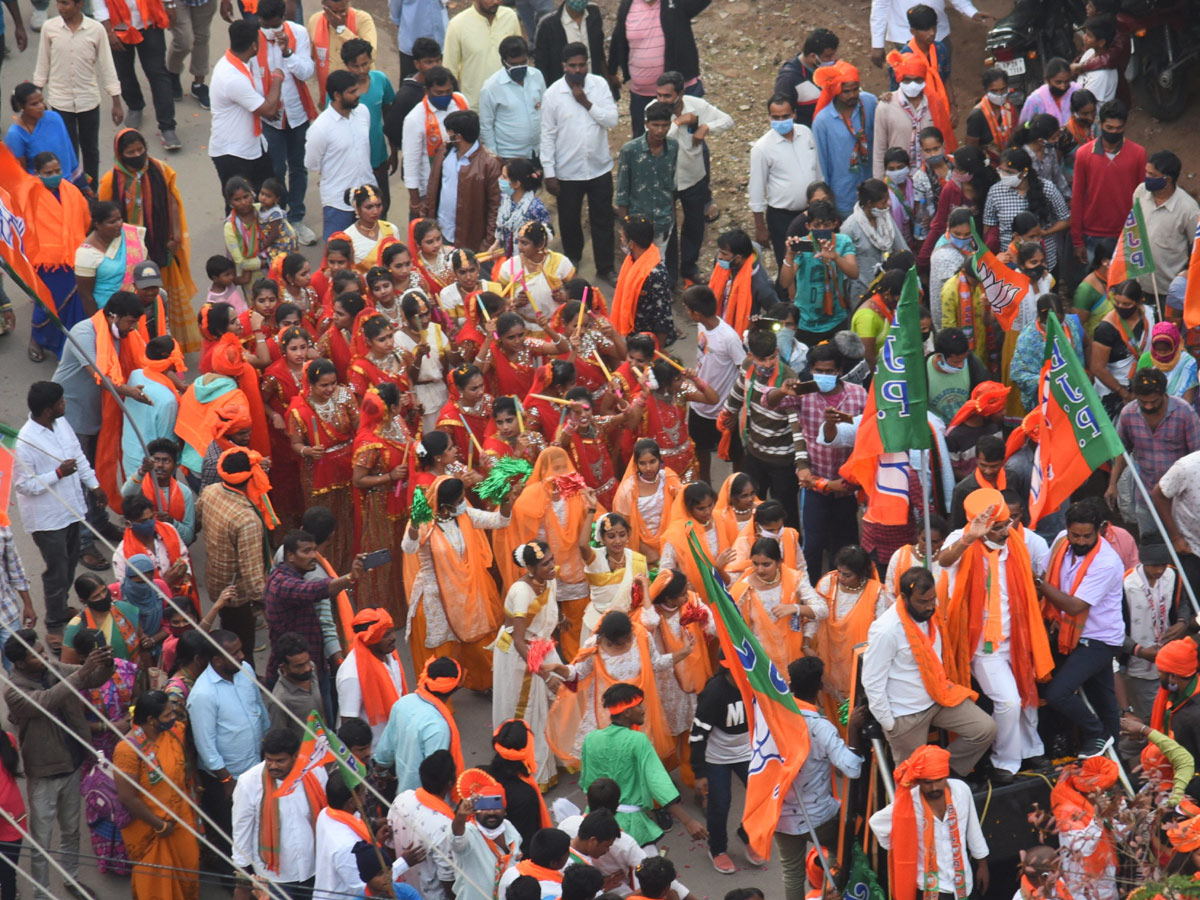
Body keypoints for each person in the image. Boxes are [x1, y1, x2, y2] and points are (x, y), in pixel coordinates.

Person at [937, 489, 1054, 781]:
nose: (1006, 530)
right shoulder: (960, 539)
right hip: (983, 644)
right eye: (998, 527)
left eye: (1007, 524)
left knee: (1027, 695)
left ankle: (1032, 749)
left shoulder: (1015, 541)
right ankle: (1005, 762)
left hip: (1017, 634)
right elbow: (943, 560)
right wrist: (970, 537)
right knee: (1009, 702)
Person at [4, 630, 112, 900]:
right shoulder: (14, 691)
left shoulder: (54, 668)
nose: (43, 657)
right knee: (42, 841)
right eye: (36, 655)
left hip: (72, 764)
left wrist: (106, 661)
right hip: (43, 773)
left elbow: (93, 677)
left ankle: (71, 879)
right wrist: (81, 672)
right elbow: (47, 701)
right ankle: (42, 893)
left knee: (71, 829)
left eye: (42, 650)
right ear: (19, 663)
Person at [863, 567, 997, 771]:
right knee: (912, 780)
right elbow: (872, 681)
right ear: (904, 598)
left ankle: (942, 771)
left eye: (931, 600)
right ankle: (930, 777)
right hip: (905, 714)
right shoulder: (886, 629)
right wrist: (890, 724)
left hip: (939, 697)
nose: (928, 607)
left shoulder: (932, 614)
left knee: (985, 729)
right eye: (922, 602)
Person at [98, 128, 199, 353]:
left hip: (162, 245)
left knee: (164, 296)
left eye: (140, 150)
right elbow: (103, 217)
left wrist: (174, 236)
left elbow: (173, 202)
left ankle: (169, 344)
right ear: (120, 153)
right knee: (137, 297)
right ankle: (137, 345)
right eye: (130, 152)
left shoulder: (160, 170)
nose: (136, 155)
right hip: (129, 251)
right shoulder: (109, 181)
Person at [15, 381, 104, 634]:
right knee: (57, 572)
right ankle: (54, 624)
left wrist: (94, 485)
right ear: (47, 410)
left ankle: (60, 606)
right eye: (61, 402)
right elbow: (24, 486)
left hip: (72, 510)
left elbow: (78, 455)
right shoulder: (25, 442)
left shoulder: (61, 424)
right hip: (48, 520)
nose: (65, 404)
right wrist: (57, 473)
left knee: (70, 564)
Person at [1040, 501, 1127, 755]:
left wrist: (1038, 584)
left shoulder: (1106, 562)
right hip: (1070, 633)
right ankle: (1112, 756)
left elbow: (1076, 605)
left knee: (1058, 694)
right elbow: (1048, 574)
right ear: (1066, 529)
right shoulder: (1060, 541)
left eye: (1086, 536)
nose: (1080, 541)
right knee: (1104, 700)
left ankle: (1097, 733)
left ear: (1098, 530)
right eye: (1074, 535)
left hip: (1099, 639)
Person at [777, 657, 865, 899]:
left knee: (791, 874)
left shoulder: (773, 719)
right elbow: (852, 768)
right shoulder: (821, 727)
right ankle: (829, 894)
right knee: (841, 854)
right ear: (819, 686)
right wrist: (854, 731)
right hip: (820, 816)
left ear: (790, 684)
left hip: (781, 815)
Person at [579, 682, 708, 846]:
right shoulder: (637, 740)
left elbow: (587, 783)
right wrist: (688, 821)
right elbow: (657, 782)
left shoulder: (591, 739)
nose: (643, 709)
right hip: (630, 825)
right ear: (627, 712)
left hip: (595, 822)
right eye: (639, 705)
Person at [187, 629, 270, 874]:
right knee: (233, 834)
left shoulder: (246, 671)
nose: (243, 656)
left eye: (241, 649)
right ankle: (234, 882)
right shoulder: (203, 695)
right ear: (218, 660)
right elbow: (206, 746)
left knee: (259, 826)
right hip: (227, 780)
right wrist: (226, 780)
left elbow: (259, 710)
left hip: (256, 768)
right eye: (235, 653)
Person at [540, 42, 620, 285]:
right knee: (569, 218)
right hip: (567, 171)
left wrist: (586, 102)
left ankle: (605, 267)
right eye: (572, 66)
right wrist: (550, 172)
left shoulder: (599, 85)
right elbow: (547, 135)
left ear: (588, 64)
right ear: (564, 66)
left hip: (598, 167)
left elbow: (613, 120)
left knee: (603, 219)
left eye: (582, 65)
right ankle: (572, 261)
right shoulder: (552, 94)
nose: (577, 70)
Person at [868, 744, 991, 900]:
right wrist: (903, 845)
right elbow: (876, 823)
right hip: (929, 888)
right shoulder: (909, 803)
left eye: (938, 780)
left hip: (964, 883)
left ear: (946, 776)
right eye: (927, 782)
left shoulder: (961, 791)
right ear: (918, 781)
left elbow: (973, 830)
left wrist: (982, 864)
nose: (934, 787)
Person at [492, 541, 568, 787]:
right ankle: (525, 769)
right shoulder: (521, 592)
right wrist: (545, 676)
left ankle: (554, 756)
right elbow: (518, 640)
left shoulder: (549, 579)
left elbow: (548, 608)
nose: (552, 565)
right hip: (519, 654)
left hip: (540, 647)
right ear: (531, 569)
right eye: (545, 563)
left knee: (558, 700)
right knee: (526, 711)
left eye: (551, 559)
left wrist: (561, 619)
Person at [112, 690, 200, 900]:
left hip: (181, 818)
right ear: (151, 720)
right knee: (156, 888)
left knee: (189, 869)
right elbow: (127, 797)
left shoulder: (173, 733)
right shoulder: (127, 750)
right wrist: (159, 824)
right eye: (167, 715)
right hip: (151, 829)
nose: (173, 718)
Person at [30, 0, 122, 186]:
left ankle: (91, 191)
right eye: (59, 3)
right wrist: (36, 102)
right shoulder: (50, 28)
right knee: (67, 150)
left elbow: (107, 66)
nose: (60, 7)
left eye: (66, 3)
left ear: (80, 4)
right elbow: (42, 65)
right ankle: (71, 192)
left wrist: (116, 102)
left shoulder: (96, 30)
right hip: (60, 101)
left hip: (88, 100)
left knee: (90, 150)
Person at [197, 448, 274, 665]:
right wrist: (268, 601)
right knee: (241, 648)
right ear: (250, 478)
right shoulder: (246, 519)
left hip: (215, 580)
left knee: (227, 627)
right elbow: (252, 578)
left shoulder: (210, 491)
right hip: (237, 594)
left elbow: (196, 522)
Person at [231, 727, 328, 897]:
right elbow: (241, 831)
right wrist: (241, 876)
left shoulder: (315, 771)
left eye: (280, 761)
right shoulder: (249, 783)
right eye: (269, 760)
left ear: (295, 756)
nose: (273, 766)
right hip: (274, 877)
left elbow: (327, 816)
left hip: (313, 869)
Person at [656, 71, 731, 285]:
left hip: (694, 178)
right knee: (667, 228)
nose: (662, 100)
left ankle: (689, 268)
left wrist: (706, 126)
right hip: (665, 182)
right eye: (659, 95)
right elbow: (656, 136)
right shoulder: (652, 110)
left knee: (694, 226)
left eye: (667, 96)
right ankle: (668, 278)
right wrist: (679, 122)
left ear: (681, 93)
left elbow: (728, 120)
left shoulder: (696, 105)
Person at [254, 0, 319, 247]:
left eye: (275, 25)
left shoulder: (298, 33)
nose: (270, 30)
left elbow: (306, 72)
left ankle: (296, 218)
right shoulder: (253, 38)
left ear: (284, 17)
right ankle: (276, 218)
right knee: (275, 169)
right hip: (268, 118)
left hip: (297, 113)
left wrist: (287, 53)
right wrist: (263, 107)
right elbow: (248, 79)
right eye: (265, 25)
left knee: (299, 168)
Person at [1107, 368, 1200, 534]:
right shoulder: (1128, 414)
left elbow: (1197, 457)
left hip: (1180, 502)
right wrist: (1112, 484)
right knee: (1152, 553)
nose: (1148, 406)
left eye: (1154, 402)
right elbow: (1122, 452)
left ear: (1164, 394)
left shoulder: (1185, 412)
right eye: (1143, 402)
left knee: (1182, 553)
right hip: (1146, 500)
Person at [607, 0, 708, 136]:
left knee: (690, 140)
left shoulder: (676, 3)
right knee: (644, 143)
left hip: (681, 93)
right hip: (642, 96)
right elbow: (619, 37)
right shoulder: (628, 5)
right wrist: (612, 70)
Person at [208, 20, 284, 195]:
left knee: (270, 197)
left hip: (252, 147)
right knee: (240, 206)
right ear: (253, 46)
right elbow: (269, 110)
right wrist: (278, 78)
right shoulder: (233, 77)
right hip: (234, 153)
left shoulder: (236, 63)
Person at [91, 0, 179, 150]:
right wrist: (109, 32)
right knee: (124, 72)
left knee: (157, 73)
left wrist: (169, 4)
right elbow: (98, 4)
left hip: (150, 22)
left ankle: (167, 126)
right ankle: (135, 106)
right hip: (118, 26)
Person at [749, 93, 821, 268]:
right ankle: (787, 295)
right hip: (782, 217)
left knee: (814, 259)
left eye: (785, 116)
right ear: (769, 117)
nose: (781, 121)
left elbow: (817, 170)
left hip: (811, 212)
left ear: (794, 114)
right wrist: (760, 227)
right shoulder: (762, 148)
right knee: (788, 263)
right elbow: (756, 190)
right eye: (776, 117)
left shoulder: (805, 133)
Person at [1071, 100, 1147, 265]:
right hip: (1092, 234)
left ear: (1125, 126)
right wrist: (1077, 240)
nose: (1114, 132)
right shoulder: (1084, 154)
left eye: (1119, 129)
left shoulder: (1138, 154)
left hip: (1127, 233)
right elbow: (1077, 197)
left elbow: (1142, 198)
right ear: (1100, 124)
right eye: (1109, 128)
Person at [305, 70, 375, 242]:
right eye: (352, 92)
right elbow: (311, 163)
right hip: (338, 202)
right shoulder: (320, 128)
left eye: (357, 90)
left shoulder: (363, 112)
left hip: (368, 195)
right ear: (337, 95)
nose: (358, 95)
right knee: (338, 255)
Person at [375, 657, 464, 792]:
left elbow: (385, 750)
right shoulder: (438, 727)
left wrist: (380, 772)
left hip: (403, 798)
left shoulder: (403, 702)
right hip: (426, 802)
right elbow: (436, 777)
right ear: (455, 687)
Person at [426, 110, 502, 253]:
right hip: (441, 233)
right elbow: (432, 187)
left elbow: (495, 208)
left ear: (458, 137)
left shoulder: (490, 164)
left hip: (470, 241)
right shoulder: (444, 152)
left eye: (449, 134)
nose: (447, 138)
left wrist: (487, 243)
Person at [809, 61, 876, 221]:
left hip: (872, 192)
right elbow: (821, 162)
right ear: (836, 91)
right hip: (844, 196)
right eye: (846, 91)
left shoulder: (869, 103)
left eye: (855, 89)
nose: (852, 95)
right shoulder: (823, 121)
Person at [1131, 150, 1199, 303]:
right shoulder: (1141, 192)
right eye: (1146, 173)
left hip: (1167, 291)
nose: (1147, 178)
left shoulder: (1189, 209)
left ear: (1167, 179)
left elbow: (1196, 248)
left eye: (1152, 175)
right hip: (1138, 283)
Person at [615, 100, 678, 252]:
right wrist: (625, 227)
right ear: (646, 124)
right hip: (637, 225)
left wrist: (671, 216)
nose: (660, 130)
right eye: (655, 125)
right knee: (637, 268)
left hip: (663, 221)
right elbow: (622, 191)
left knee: (657, 264)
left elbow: (670, 184)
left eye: (665, 125)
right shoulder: (630, 150)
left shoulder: (673, 147)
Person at [337, 608, 405, 748]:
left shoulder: (390, 655)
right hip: (373, 752)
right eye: (385, 635)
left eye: (391, 631)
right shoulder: (351, 675)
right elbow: (348, 725)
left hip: (397, 744)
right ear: (369, 639)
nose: (393, 637)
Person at [449, 770, 522, 900]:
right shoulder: (469, 833)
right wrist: (460, 816)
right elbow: (457, 841)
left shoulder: (509, 828)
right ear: (475, 811)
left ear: (505, 810)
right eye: (484, 807)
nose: (490, 812)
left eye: (495, 805)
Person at [1090, 279, 1155, 419]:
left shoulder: (1151, 315)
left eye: (1126, 304)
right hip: (1114, 391)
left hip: (1145, 385)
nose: (1120, 307)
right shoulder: (1106, 329)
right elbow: (1097, 367)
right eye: (1117, 303)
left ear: (1138, 303)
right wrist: (1123, 393)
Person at [610, 214, 677, 348]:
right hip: (633, 336)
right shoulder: (632, 262)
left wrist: (657, 353)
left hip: (648, 344)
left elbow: (663, 319)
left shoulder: (655, 275)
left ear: (631, 243)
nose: (620, 240)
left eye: (623, 237)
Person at [1010, 294, 1086, 412]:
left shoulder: (1070, 323)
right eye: (1052, 321)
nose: (1058, 325)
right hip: (1046, 402)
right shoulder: (1028, 338)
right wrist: (1050, 382)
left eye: (1060, 320)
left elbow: (1085, 346)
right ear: (1042, 317)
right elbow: (1017, 373)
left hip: (1074, 395)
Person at [442, 0, 521, 107]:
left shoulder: (510, 17)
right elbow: (450, 71)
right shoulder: (457, 25)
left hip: (510, 104)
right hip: (476, 107)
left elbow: (519, 58)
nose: (496, 2)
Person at [839, 180, 906, 305]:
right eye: (883, 202)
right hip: (862, 291)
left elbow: (901, 247)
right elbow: (845, 271)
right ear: (870, 204)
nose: (888, 205)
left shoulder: (886, 219)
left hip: (888, 290)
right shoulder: (849, 228)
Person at [480, 36, 546, 162]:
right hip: (509, 156)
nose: (519, 67)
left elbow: (545, 109)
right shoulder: (491, 87)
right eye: (514, 64)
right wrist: (495, 158)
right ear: (504, 61)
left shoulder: (536, 76)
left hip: (538, 152)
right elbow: (486, 126)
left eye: (523, 62)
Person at [6, 83, 83, 188]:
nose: (41, 106)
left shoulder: (54, 118)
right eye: (34, 104)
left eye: (41, 101)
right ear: (21, 107)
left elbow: (69, 152)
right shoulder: (15, 135)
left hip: (68, 185)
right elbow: (21, 174)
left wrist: (81, 182)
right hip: (40, 190)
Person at [314, 771, 375, 900]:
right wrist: (404, 863)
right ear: (352, 802)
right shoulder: (347, 845)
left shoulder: (325, 813)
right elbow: (364, 887)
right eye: (364, 792)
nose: (365, 795)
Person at [872, 53, 933, 182]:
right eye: (907, 80)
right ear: (899, 79)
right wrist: (879, 183)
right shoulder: (885, 106)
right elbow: (879, 150)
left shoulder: (934, 104)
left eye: (917, 80)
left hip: (929, 178)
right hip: (896, 178)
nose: (912, 85)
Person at [306, 0, 377, 103]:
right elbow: (310, 57)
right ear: (323, 5)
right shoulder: (314, 21)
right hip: (331, 97)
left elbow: (371, 55)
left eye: (343, 11)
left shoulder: (363, 19)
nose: (338, 16)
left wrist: (341, 29)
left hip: (360, 96)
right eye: (333, 11)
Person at [774, 28, 839, 128]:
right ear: (813, 56)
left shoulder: (831, 68)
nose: (833, 59)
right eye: (828, 56)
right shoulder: (788, 79)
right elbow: (782, 116)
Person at [267, 632, 322, 737]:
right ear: (284, 667)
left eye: (308, 661)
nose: (307, 668)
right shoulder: (280, 701)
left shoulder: (311, 670)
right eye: (299, 666)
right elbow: (280, 738)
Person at [964, 68, 1015, 165]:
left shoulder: (1009, 108)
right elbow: (971, 149)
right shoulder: (977, 115)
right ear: (986, 90)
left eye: (1003, 90)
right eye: (994, 91)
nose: (999, 94)